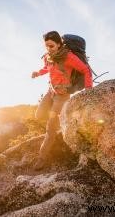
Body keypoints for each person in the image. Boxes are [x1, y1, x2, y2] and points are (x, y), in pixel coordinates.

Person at [31, 31, 93, 170]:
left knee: (50, 128)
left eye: (51, 46)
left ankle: (42, 157)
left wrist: (89, 90)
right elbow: (47, 68)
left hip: (62, 96)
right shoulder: (48, 57)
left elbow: (85, 70)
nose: (49, 49)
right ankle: (62, 121)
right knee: (38, 115)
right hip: (51, 91)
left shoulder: (68, 57)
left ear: (59, 44)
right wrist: (38, 73)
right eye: (46, 46)